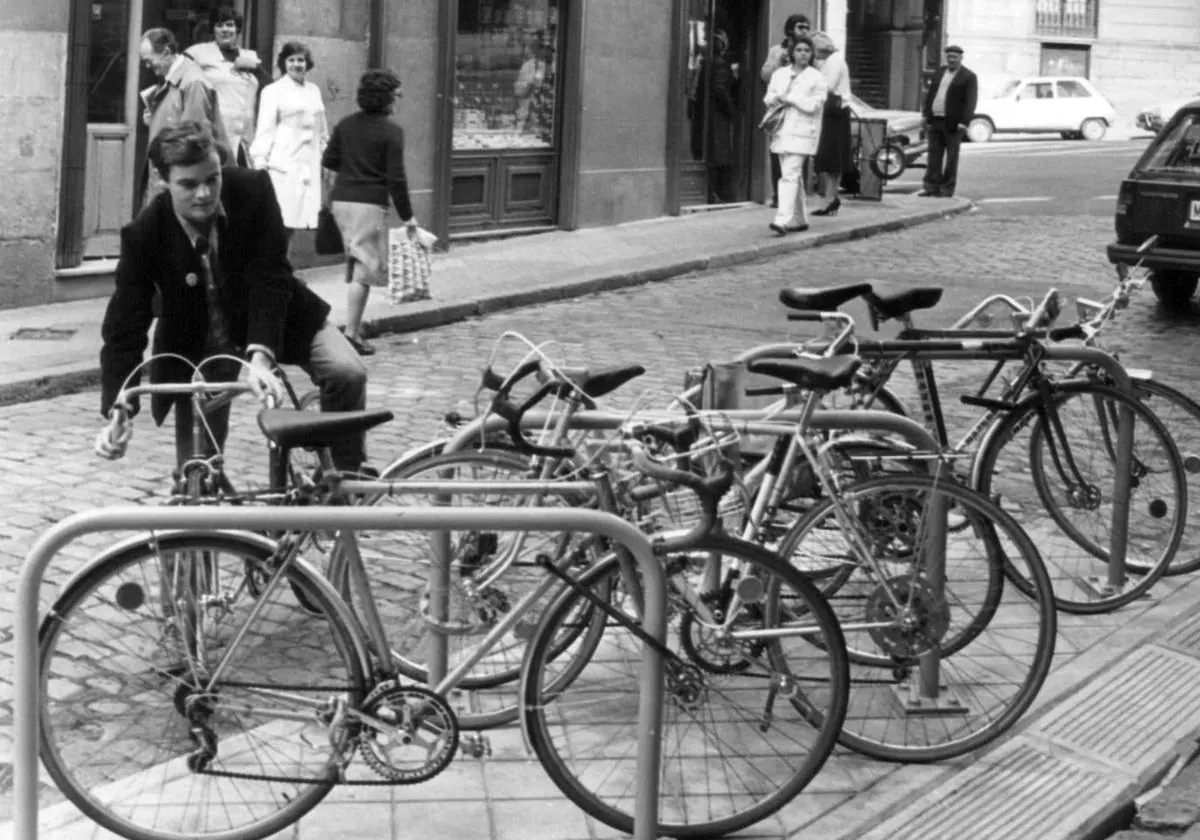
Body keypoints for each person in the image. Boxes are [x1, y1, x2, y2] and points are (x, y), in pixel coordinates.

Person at [96, 121, 370, 474]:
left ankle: (344, 483)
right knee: (198, 472)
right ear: (164, 181)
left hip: (277, 315)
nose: (204, 194)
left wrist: (260, 356)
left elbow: (270, 275)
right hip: (201, 346)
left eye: (212, 179)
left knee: (347, 372)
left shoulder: (252, 189)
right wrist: (119, 410)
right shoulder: (145, 234)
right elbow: (124, 328)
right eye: (189, 184)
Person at [321, 69, 417, 357]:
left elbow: (329, 162)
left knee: (355, 262)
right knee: (364, 271)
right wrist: (408, 216)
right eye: (396, 94)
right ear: (385, 96)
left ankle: (352, 330)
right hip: (369, 205)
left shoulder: (346, 125)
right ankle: (350, 333)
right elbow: (396, 178)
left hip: (342, 201)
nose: (398, 99)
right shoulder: (392, 132)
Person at [250, 41, 328, 259]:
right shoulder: (273, 91)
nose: (296, 64)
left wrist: (326, 156)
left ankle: (284, 271)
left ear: (307, 63)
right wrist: (260, 162)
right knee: (279, 221)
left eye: (300, 60)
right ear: (284, 63)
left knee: (294, 221)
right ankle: (274, 271)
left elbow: (322, 130)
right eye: (291, 60)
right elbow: (265, 129)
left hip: (307, 165)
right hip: (283, 165)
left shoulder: (314, 90)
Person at [138, 28, 230, 206]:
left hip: (179, 188)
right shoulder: (175, 80)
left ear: (166, 52)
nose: (148, 67)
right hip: (169, 182)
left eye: (149, 61)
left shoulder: (192, 82)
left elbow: (194, 145)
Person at [184, 6, 269, 166]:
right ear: (213, 29)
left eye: (229, 25)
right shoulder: (197, 53)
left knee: (242, 184)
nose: (225, 30)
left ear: (237, 29)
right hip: (216, 136)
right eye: (219, 25)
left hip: (245, 139)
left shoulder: (250, 56)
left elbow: (271, 90)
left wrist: (255, 68)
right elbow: (178, 82)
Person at [764, 35, 827, 236]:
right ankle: (799, 218)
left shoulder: (816, 77)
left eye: (807, 51)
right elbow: (768, 97)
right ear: (792, 52)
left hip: (803, 133)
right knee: (793, 175)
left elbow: (815, 105)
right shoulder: (780, 74)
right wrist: (776, 99)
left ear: (812, 54)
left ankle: (782, 219)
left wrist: (791, 99)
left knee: (788, 175)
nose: (803, 54)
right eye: (799, 50)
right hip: (781, 131)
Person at [761, 14, 811, 208]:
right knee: (777, 153)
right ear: (790, 30)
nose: (805, 31)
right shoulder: (777, 50)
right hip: (781, 112)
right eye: (800, 27)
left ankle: (796, 197)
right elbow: (764, 75)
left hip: (800, 111)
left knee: (799, 155)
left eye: (807, 27)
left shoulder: (808, 52)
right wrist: (778, 63)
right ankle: (778, 196)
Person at [920, 44, 978, 198]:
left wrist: (964, 122)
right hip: (935, 120)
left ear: (961, 58)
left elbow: (971, 101)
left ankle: (946, 189)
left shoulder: (969, 76)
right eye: (949, 57)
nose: (951, 60)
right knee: (934, 156)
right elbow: (931, 94)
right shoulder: (939, 72)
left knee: (951, 158)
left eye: (955, 57)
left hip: (954, 124)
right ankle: (931, 187)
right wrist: (926, 115)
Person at [811, 32, 852, 216]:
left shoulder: (834, 62)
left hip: (834, 112)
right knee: (832, 159)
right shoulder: (832, 61)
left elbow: (826, 87)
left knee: (832, 158)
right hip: (835, 111)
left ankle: (830, 198)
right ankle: (830, 197)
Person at [707, 30, 738, 203]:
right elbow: (720, 90)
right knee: (719, 155)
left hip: (711, 115)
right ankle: (719, 194)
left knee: (716, 154)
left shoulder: (708, 61)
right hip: (718, 116)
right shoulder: (719, 64)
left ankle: (716, 193)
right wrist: (731, 110)